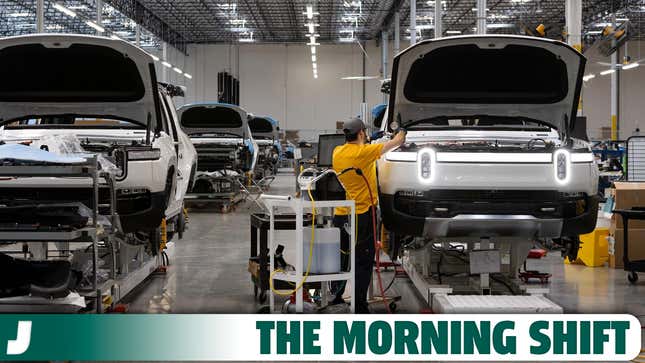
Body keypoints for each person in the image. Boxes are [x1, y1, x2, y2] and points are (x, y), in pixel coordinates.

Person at [331, 117, 406, 313]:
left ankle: (336, 296)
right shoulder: (364, 153)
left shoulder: (338, 152)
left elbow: (366, 148)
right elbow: (396, 142)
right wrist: (403, 130)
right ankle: (360, 306)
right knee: (363, 262)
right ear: (362, 134)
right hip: (363, 215)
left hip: (342, 214)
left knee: (342, 259)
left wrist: (372, 140)